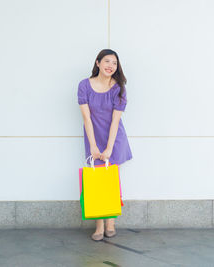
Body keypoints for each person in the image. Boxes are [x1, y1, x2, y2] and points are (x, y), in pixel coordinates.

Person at [77, 49, 133, 241]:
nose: (111, 66)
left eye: (115, 63)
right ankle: (99, 225)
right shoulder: (84, 85)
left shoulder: (118, 87)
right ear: (98, 62)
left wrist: (109, 148)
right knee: (98, 180)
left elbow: (115, 121)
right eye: (107, 61)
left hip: (114, 138)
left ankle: (111, 222)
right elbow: (86, 117)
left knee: (111, 180)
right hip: (94, 137)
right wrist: (93, 145)